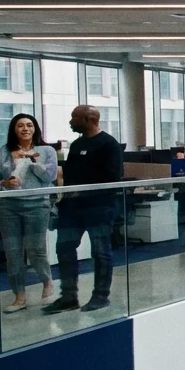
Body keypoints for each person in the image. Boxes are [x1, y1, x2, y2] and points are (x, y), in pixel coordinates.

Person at [43, 105, 123, 314]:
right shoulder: (77, 144)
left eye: (74, 117)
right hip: (72, 208)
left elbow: (113, 177)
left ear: (88, 119)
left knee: (101, 251)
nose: (71, 121)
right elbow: (72, 175)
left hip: (99, 207)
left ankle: (100, 296)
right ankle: (69, 297)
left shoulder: (109, 144)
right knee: (64, 249)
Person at [0, 114, 57, 313]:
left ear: (35, 128)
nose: (25, 129)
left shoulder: (46, 150)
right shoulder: (4, 152)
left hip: (36, 205)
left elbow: (50, 176)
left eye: (29, 125)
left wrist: (32, 161)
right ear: (14, 130)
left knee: (36, 249)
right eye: (20, 126)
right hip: (8, 207)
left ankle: (47, 283)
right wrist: (4, 183)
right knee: (13, 254)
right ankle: (19, 296)